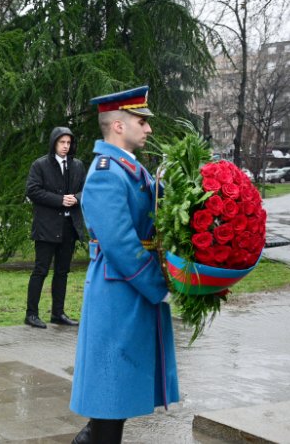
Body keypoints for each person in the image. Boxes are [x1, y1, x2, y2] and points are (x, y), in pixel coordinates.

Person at [69, 86, 179, 443]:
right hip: (119, 292)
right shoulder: (105, 172)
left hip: (128, 292)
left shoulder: (131, 169)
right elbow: (120, 243)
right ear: (117, 125)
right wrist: (157, 286)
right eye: (140, 121)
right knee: (109, 396)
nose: (147, 128)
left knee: (115, 398)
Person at [24, 127, 86, 329]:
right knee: (40, 270)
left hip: (69, 227)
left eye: (68, 143)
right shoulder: (40, 165)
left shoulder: (77, 165)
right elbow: (32, 191)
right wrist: (60, 200)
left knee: (62, 272)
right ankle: (31, 314)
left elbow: (86, 191)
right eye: (62, 142)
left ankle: (58, 313)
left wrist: (75, 198)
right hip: (46, 227)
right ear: (54, 143)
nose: (65, 147)